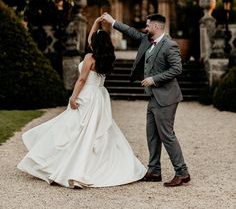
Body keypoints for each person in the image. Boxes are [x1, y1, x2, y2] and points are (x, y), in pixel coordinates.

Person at [17, 17, 146, 188]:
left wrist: (73, 97)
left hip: (86, 95)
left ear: (95, 44)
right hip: (99, 96)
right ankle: (93, 165)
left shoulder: (89, 57)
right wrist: (97, 23)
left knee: (72, 130)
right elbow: (92, 38)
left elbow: (81, 80)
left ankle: (68, 167)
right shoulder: (107, 58)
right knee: (94, 132)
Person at [101, 12, 190, 187]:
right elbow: (131, 32)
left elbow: (177, 69)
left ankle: (182, 172)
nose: (145, 28)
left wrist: (154, 79)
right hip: (153, 97)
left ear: (156, 27)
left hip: (166, 97)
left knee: (167, 135)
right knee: (152, 135)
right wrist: (113, 22)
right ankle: (154, 170)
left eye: (148, 25)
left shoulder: (169, 45)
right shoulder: (147, 40)